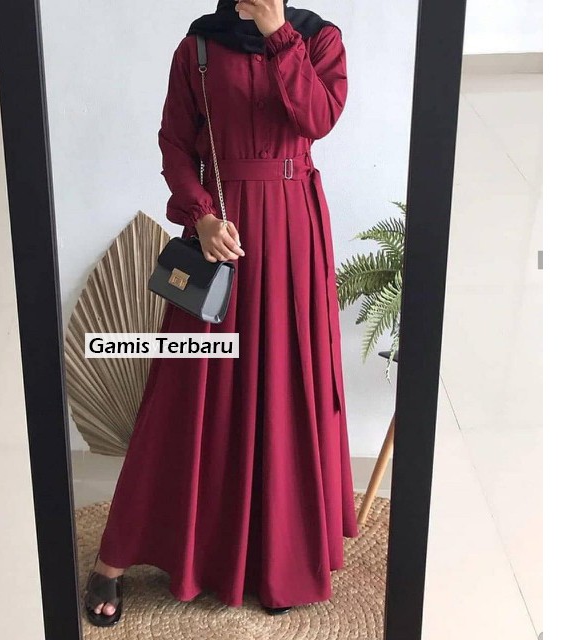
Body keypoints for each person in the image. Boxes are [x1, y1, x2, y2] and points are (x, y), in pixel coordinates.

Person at [84, 0, 359, 626]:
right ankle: (115, 557)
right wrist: (200, 215)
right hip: (221, 233)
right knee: (185, 388)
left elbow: (318, 119)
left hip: (292, 230)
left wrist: (276, 32)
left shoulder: (319, 39)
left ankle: (279, 560)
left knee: (287, 384)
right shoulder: (199, 46)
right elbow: (174, 142)